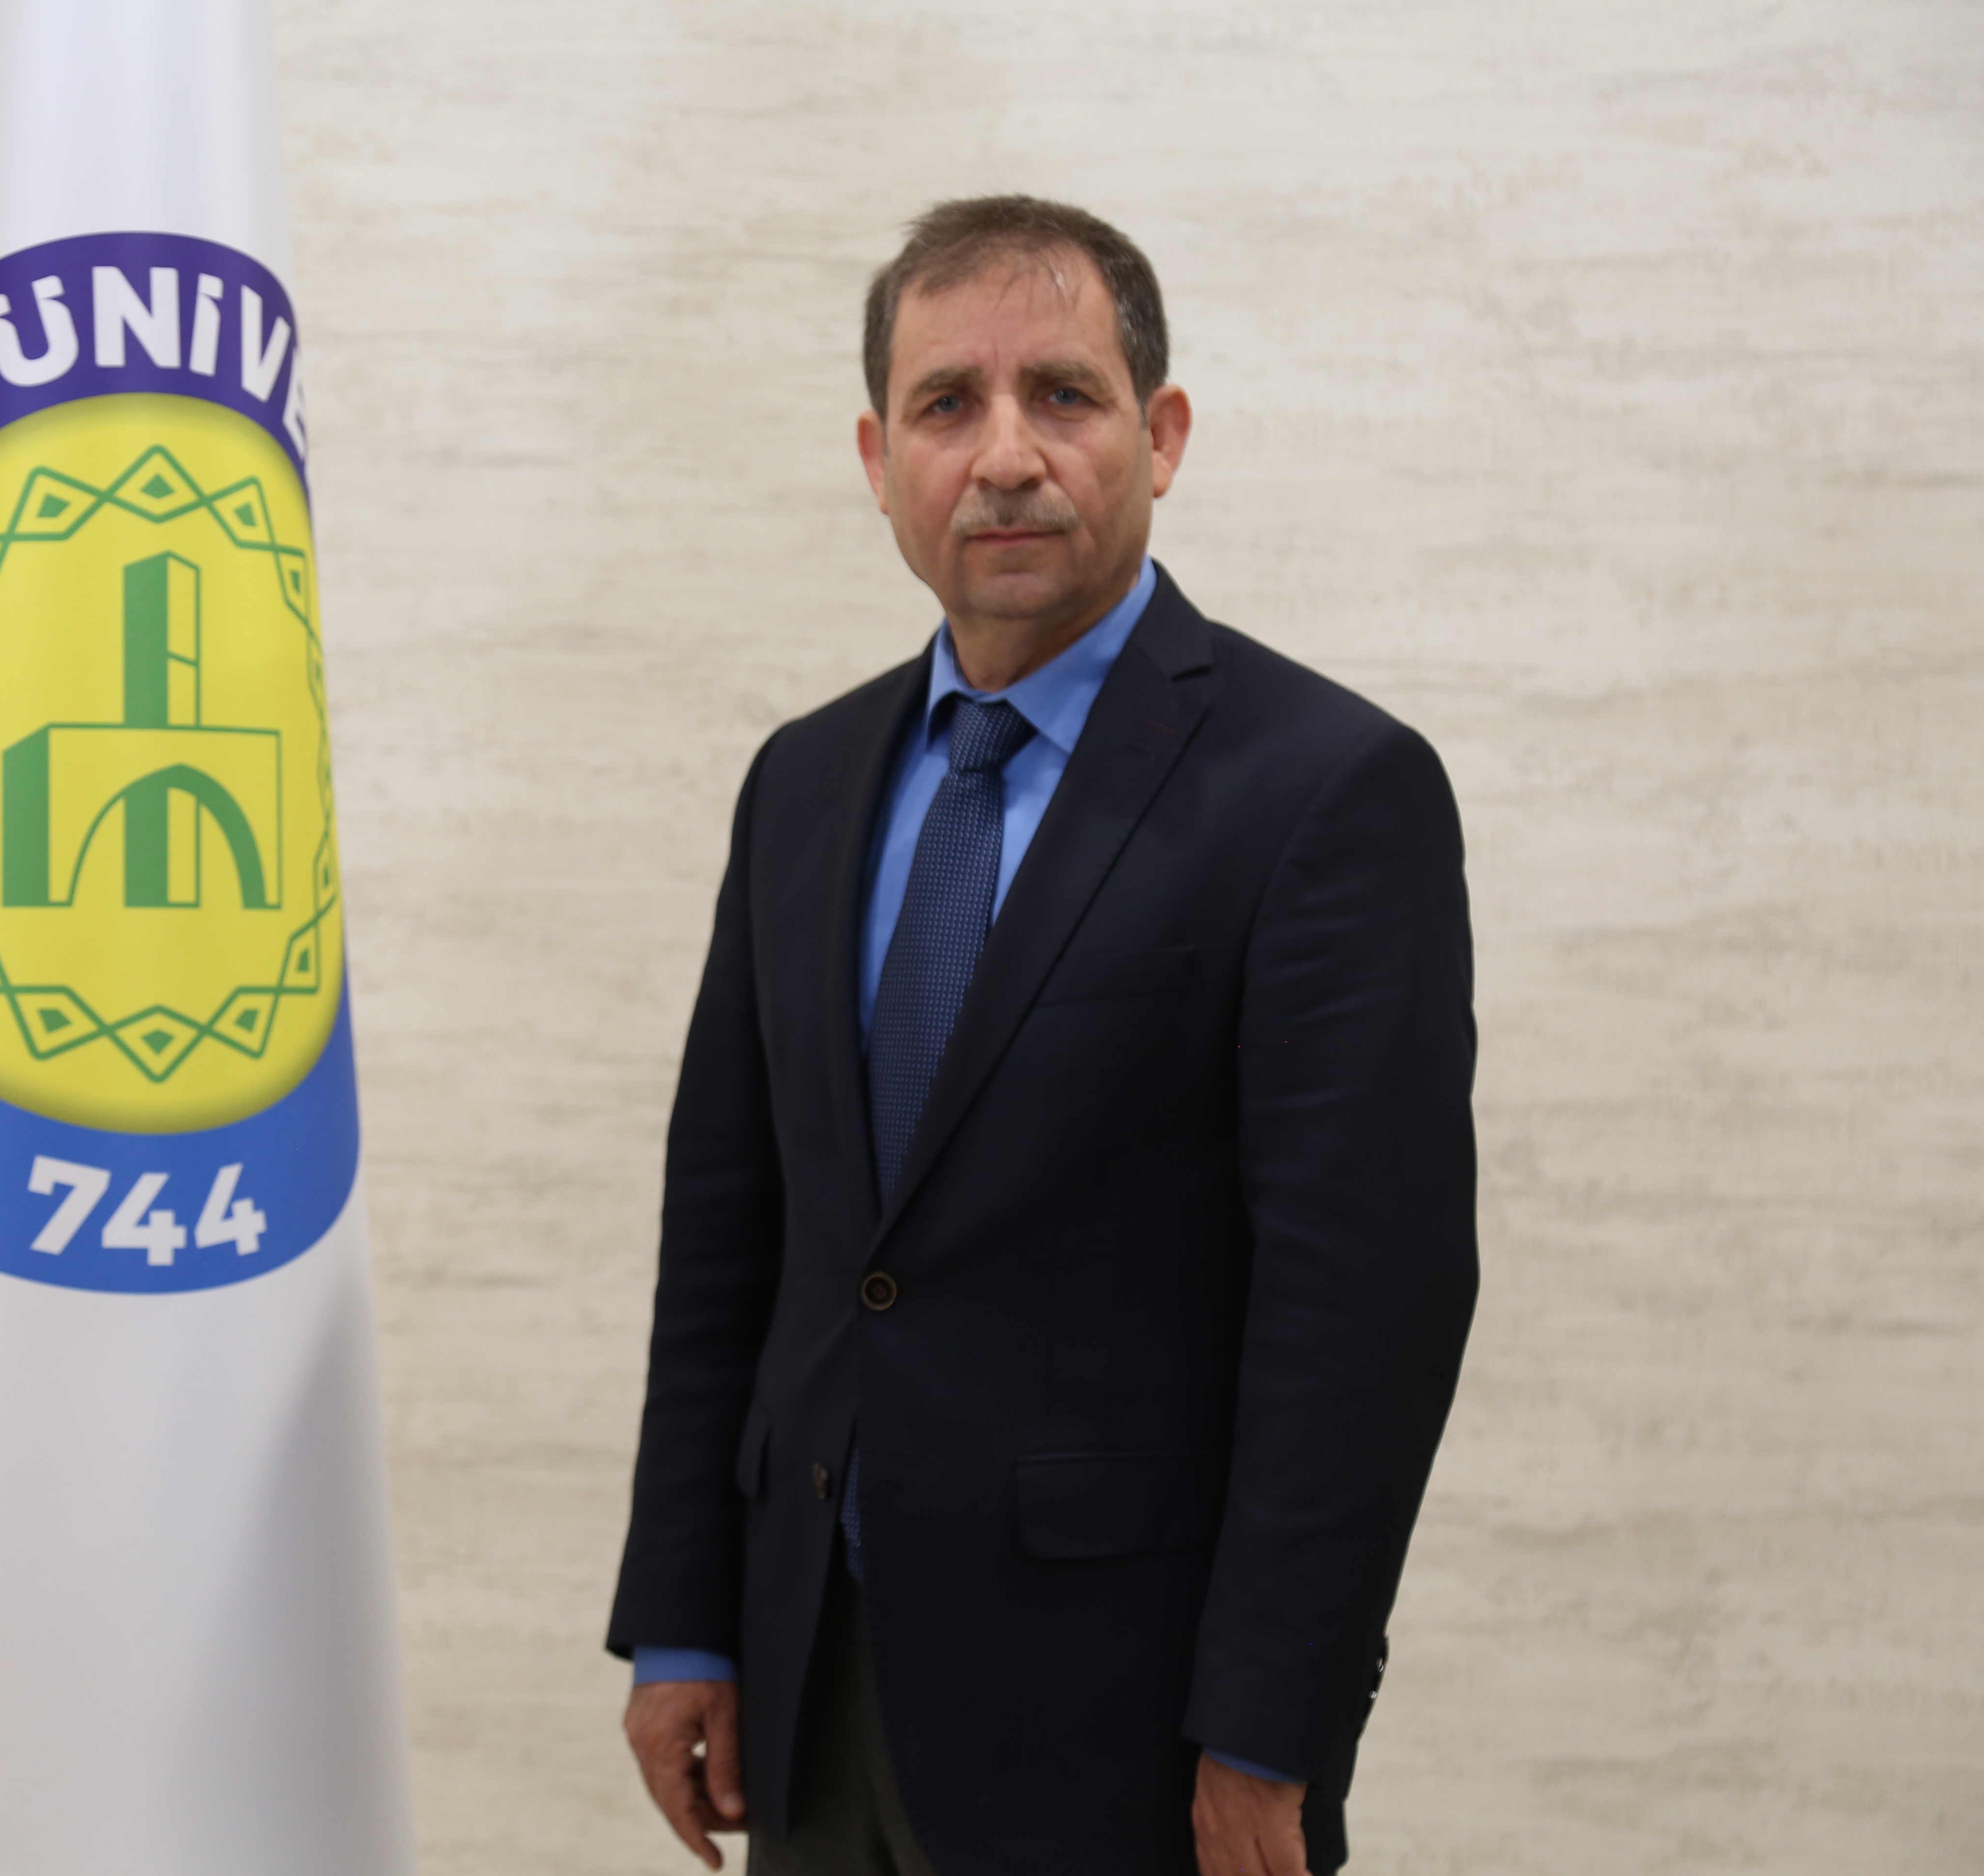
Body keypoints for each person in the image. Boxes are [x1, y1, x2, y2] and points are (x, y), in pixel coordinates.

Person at [605, 195, 1479, 1876]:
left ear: (1163, 434)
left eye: (1063, 395)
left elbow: (1363, 1316)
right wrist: (685, 1617)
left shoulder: (1325, 792)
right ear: (881, 462)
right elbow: (730, 1236)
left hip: (1128, 1724)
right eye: (948, 405)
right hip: (809, 1676)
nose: (1005, 456)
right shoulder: (804, 783)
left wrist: (1271, 1730)